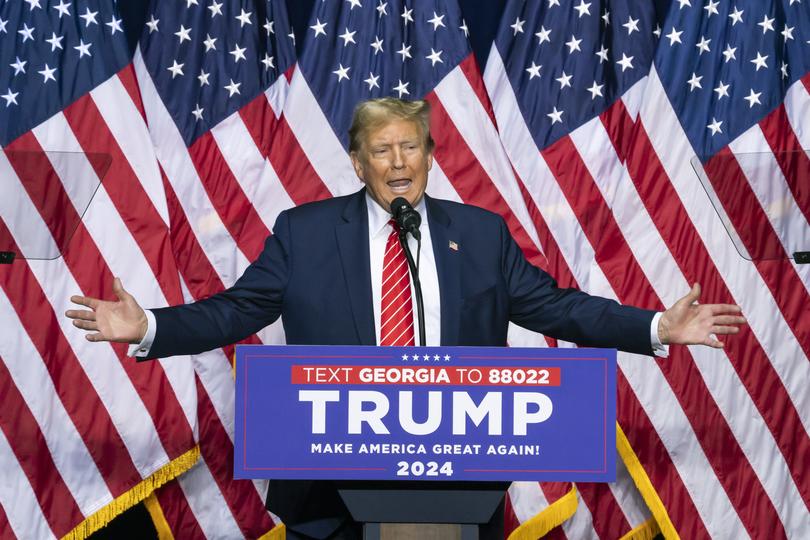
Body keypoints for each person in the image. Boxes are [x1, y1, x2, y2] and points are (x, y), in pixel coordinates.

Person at [67, 98, 745, 539]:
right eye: (384, 151)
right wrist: (150, 326)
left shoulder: (478, 235)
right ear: (359, 163)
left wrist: (655, 327)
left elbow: (557, 305)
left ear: (428, 155)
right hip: (331, 489)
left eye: (411, 148)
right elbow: (236, 311)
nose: (399, 163)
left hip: (457, 482)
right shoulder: (303, 234)